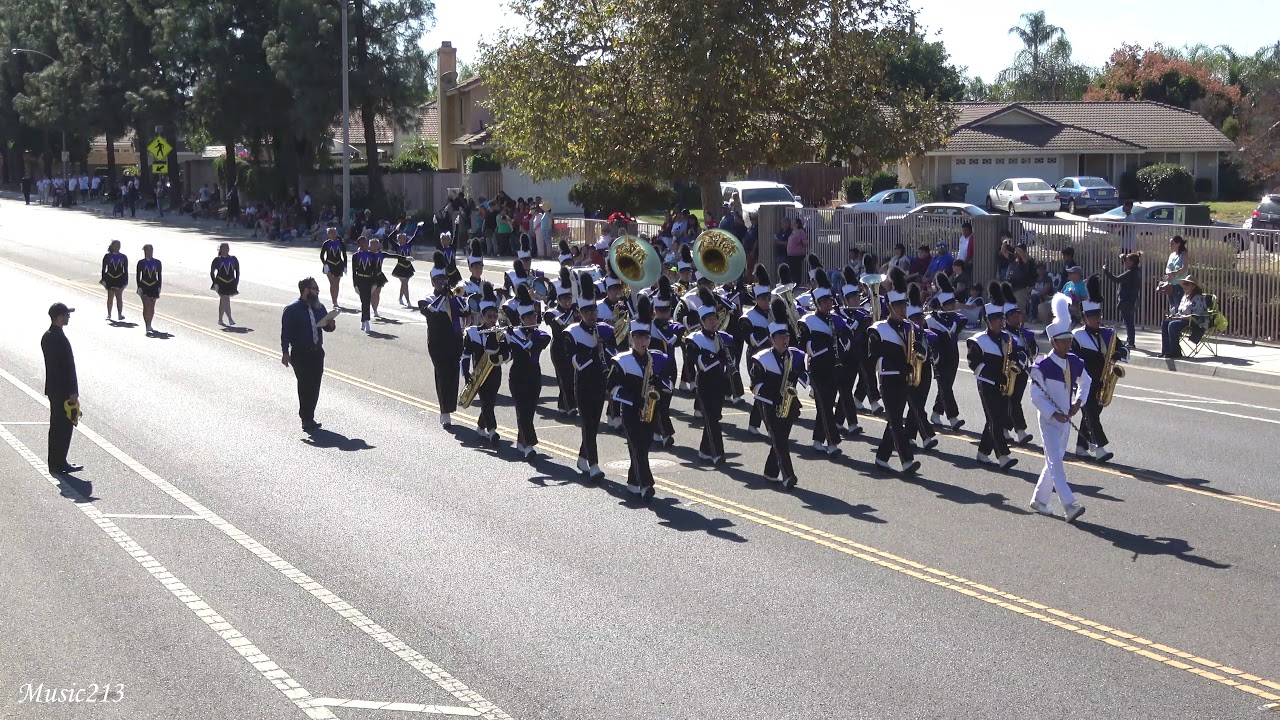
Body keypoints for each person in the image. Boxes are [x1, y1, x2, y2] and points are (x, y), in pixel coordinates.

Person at [1028, 293, 1089, 523]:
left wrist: (1078, 403)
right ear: (1054, 342)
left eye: (1069, 341)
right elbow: (1035, 395)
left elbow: (1087, 381)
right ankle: (1069, 504)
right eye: (1064, 341)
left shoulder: (1074, 361)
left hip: (1066, 418)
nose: (1068, 345)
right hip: (1049, 421)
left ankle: (1039, 500)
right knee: (1055, 462)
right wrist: (1053, 413)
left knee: (1053, 461)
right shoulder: (1042, 366)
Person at [607, 296, 673, 502]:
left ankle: (633, 482)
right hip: (630, 412)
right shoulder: (622, 362)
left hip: (649, 410)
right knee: (638, 447)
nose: (643, 341)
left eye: (646, 337)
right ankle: (647, 485)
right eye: (639, 337)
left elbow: (668, 382)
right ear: (632, 338)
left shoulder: (657, 359)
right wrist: (633, 400)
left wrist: (660, 386)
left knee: (642, 448)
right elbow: (611, 388)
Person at [749, 298, 808, 488]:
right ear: (772, 339)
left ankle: (770, 471)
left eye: (786, 337)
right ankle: (788, 476)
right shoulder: (761, 359)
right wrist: (774, 398)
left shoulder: (795, 355)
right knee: (780, 441)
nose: (784, 340)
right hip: (769, 403)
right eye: (780, 337)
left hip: (789, 403)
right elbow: (755, 386)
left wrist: (799, 374)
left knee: (780, 439)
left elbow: (806, 377)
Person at [869, 268, 922, 475]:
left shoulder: (910, 328)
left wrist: (920, 352)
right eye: (898, 306)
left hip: (906, 379)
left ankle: (882, 457)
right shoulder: (878, 329)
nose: (902, 309)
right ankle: (907, 461)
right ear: (889, 307)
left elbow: (920, 348)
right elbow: (874, 357)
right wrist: (900, 366)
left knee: (895, 419)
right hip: (888, 380)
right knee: (896, 421)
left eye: (904, 305)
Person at [966, 282, 1023, 471]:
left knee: (995, 419)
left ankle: (983, 453)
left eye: (1001, 317)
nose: (1000, 321)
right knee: (996, 420)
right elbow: (975, 366)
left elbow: (1017, 358)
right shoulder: (978, 341)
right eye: (996, 318)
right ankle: (1003, 456)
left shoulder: (1008, 339)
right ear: (988, 321)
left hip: (1005, 384)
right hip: (988, 385)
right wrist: (997, 377)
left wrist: (1019, 362)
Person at [1071, 275, 1128, 463]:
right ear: (1085, 318)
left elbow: (1124, 348)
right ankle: (1100, 449)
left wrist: (1119, 353)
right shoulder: (1077, 336)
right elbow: (1072, 360)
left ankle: (1081, 447)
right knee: (1091, 416)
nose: (1097, 319)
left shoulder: (1108, 333)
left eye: (1099, 315)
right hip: (1084, 381)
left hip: (1103, 381)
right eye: (1093, 316)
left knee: (1091, 414)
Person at [568, 274, 615, 480]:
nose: (591, 316)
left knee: (594, 424)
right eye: (587, 312)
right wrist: (594, 353)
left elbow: (614, 354)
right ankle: (594, 464)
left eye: (594, 311)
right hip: (584, 384)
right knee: (587, 423)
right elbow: (576, 362)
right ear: (580, 313)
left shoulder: (603, 330)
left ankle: (582, 457)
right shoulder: (571, 333)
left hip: (599, 383)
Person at [797, 268, 844, 456]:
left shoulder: (835, 319)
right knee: (824, 405)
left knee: (826, 405)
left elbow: (845, 339)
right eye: (824, 302)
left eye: (829, 301)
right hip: (817, 367)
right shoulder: (807, 321)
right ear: (816, 303)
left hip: (833, 366)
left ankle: (818, 440)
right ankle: (832, 443)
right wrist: (824, 346)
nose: (828, 305)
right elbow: (803, 344)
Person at [418, 252, 468, 427]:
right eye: (437, 280)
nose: (441, 282)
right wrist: (443, 295)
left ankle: (450, 407)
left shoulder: (454, 298)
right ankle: (444, 411)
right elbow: (431, 311)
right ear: (432, 282)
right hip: (437, 344)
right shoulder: (426, 300)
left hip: (455, 342)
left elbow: (466, 310)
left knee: (453, 376)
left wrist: (456, 295)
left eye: (443, 279)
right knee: (442, 375)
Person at [281, 278, 336, 431]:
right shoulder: (292, 309)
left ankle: (309, 415)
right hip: (300, 353)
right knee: (305, 384)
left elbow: (327, 328)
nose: (317, 291)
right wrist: (285, 352)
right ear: (306, 290)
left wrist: (331, 325)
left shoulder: (319, 307)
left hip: (317, 353)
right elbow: (286, 332)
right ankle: (305, 418)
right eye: (314, 288)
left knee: (315, 385)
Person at [505, 285, 552, 458]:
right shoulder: (512, 334)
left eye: (533, 315)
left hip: (534, 376)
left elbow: (529, 347)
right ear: (522, 318)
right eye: (528, 316)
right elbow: (505, 352)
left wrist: (514, 335)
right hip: (517, 376)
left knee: (529, 411)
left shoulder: (541, 335)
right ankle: (529, 447)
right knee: (522, 411)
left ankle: (521, 441)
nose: (533, 318)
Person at [42, 303, 85, 485]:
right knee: (64, 426)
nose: (69, 317)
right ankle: (60, 462)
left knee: (55, 425)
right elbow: (67, 367)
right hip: (63, 390)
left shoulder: (47, 336)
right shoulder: (59, 338)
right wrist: (73, 392)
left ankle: (55, 461)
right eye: (66, 314)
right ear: (59, 316)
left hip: (53, 388)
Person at [689, 287, 733, 464]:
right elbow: (700, 363)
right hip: (705, 383)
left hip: (719, 382)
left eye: (714, 318)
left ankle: (704, 451)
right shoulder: (694, 339)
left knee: (714, 417)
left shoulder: (722, 337)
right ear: (702, 321)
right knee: (712, 420)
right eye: (709, 320)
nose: (713, 322)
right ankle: (717, 454)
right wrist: (718, 356)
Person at [461, 283, 508, 444]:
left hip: (495, 371)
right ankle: (492, 430)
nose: (493, 320)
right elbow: (466, 354)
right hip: (479, 372)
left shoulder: (499, 333)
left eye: (495, 316)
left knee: (491, 401)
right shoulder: (472, 332)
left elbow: (506, 353)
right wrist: (466, 372)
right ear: (482, 317)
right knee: (486, 401)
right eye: (489, 316)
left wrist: (500, 355)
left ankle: (481, 427)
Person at [927, 273, 966, 430]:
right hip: (939, 355)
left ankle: (936, 413)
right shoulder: (931, 320)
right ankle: (953, 417)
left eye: (952, 303)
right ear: (942, 305)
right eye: (949, 304)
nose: (952, 306)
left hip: (953, 354)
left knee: (946, 385)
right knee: (944, 385)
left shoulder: (955, 318)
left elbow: (962, 320)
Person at [1002, 282, 1035, 446]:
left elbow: (1034, 350)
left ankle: (1005, 429)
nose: (1017, 317)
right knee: (1011, 401)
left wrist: (1029, 355)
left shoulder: (1026, 333)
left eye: (1018, 314)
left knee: (1014, 400)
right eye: (1013, 315)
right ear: (1006, 318)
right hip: (1007, 372)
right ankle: (1020, 431)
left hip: (1022, 372)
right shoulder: (1003, 334)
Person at [546, 268, 579, 417]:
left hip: (571, 348)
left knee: (570, 377)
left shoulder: (574, 310)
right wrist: (572, 311)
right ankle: (571, 406)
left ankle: (562, 405)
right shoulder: (552, 312)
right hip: (558, 348)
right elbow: (560, 325)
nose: (567, 301)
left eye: (569, 298)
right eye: (564, 298)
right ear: (558, 299)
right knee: (564, 376)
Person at [1160, 276, 1208, 359]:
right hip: (1182, 319)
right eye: (1184, 284)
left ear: (1193, 286)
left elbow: (1196, 316)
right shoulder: (1185, 297)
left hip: (1195, 323)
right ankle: (1166, 351)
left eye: (1187, 284)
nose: (1184, 286)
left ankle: (1175, 351)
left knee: (1173, 325)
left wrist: (1179, 318)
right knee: (1165, 323)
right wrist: (1174, 316)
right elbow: (1180, 311)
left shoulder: (1198, 298)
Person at [1103, 252, 1142, 349]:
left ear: (1132, 262)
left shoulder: (1130, 273)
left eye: (1127, 261)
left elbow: (1116, 279)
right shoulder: (1137, 271)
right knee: (1129, 321)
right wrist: (1124, 257)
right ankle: (1130, 340)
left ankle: (1131, 342)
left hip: (1127, 300)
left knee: (1128, 321)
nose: (1125, 263)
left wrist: (1106, 271)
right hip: (1132, 299)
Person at [210, 243, 240, 327]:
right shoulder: (217, 260)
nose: (227, 249)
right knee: (224, 299)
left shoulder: (233, 259)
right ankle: (229, 318)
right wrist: (214, 283)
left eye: (228, 248)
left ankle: (221, 319)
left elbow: (237, 272)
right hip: (220, 282)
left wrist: (236, 283)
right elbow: (212, 272)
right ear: (221, 249)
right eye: (225, 248)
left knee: (225, 300)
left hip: (230, 282)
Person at [135, 244, 163, 336]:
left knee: (152, 306)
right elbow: (138, 275)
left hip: (154, 286)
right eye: (148, 250)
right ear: (145, 252)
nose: (150, 252)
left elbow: (159, 276)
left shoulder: (157, 262)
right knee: (146, 305)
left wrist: (159, 287)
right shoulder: (141, 262)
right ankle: (147, 325)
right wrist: (139, 287)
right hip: (144, 285)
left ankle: (150, 323)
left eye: (151, 250)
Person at [1159, 235, 1190, 314]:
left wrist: (1174, 274)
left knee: (1178, 304)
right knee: (1172, 305)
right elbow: (1167, 267)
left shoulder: (1184, 254)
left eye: (1172, 243)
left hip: (1179, 284)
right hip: (1170, 284)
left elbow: (1184, 268)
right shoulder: (1172, 255)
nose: (1170, 245)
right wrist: (1169, 273)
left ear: (1178, 244)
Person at [100, 240, 129, 322]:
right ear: (112, 246)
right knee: (110, 297)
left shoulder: (123, 257)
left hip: (119, 279)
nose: (117, 247)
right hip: (110, 278)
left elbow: (125, 270)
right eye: (115, 245)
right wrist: (103, 279)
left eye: (119, 245)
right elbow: (103, 269)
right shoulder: (107, 256)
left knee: (119, 297)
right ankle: (109, 314)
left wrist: (125, 281)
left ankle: (120, 314)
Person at [319, 227, 348, 309]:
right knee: (332, 283)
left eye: (334, 232)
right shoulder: (326, 243)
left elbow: (344, 255)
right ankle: (334, 301)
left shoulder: (341, 243)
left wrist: (345, 266)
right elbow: (322, 255)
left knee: (337, 283)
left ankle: (336, 300)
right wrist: (325, 264)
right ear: (328, 234)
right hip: (329, 265)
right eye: (331, 232)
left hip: (338, 264)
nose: (333, 234)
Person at [390, 230, 416, 307]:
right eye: (400, 238)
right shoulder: (397, 246)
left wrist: (418, 227)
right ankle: (408, 301)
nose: (402, 240)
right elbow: (389, 238)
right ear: (398, 239)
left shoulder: (408, 245)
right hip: (400, 267)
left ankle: (400, 298)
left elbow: (414, 237)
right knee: (405, 283)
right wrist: (396, 230)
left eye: (404, 238)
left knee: (404, 284)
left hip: (408, 267)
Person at [785, 217, 809, 283]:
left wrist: (800, 241)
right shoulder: (792, 232)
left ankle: (797, 283)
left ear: (797, 224)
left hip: (798, 254)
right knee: (792, 269)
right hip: (791, 254)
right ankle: (793, 282)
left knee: (796, 269)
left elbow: (805, 242)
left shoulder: (800, 231)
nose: (791, 224)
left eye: (793, 223)